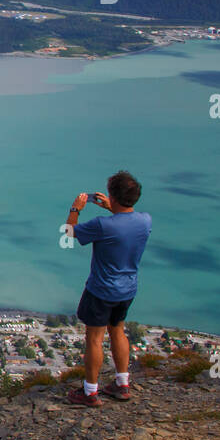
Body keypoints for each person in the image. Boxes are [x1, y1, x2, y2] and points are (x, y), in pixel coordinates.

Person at [63, 170, 151, 407]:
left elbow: (68, 233)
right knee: (118, 330)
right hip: (128, 289)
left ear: (112, 194)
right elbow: (125, 223)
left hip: (101, 290)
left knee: (94, 338)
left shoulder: (102, 226)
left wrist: (76, 209)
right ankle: (122, 384)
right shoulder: (145, 221)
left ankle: (90, 392)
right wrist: (114, 208)